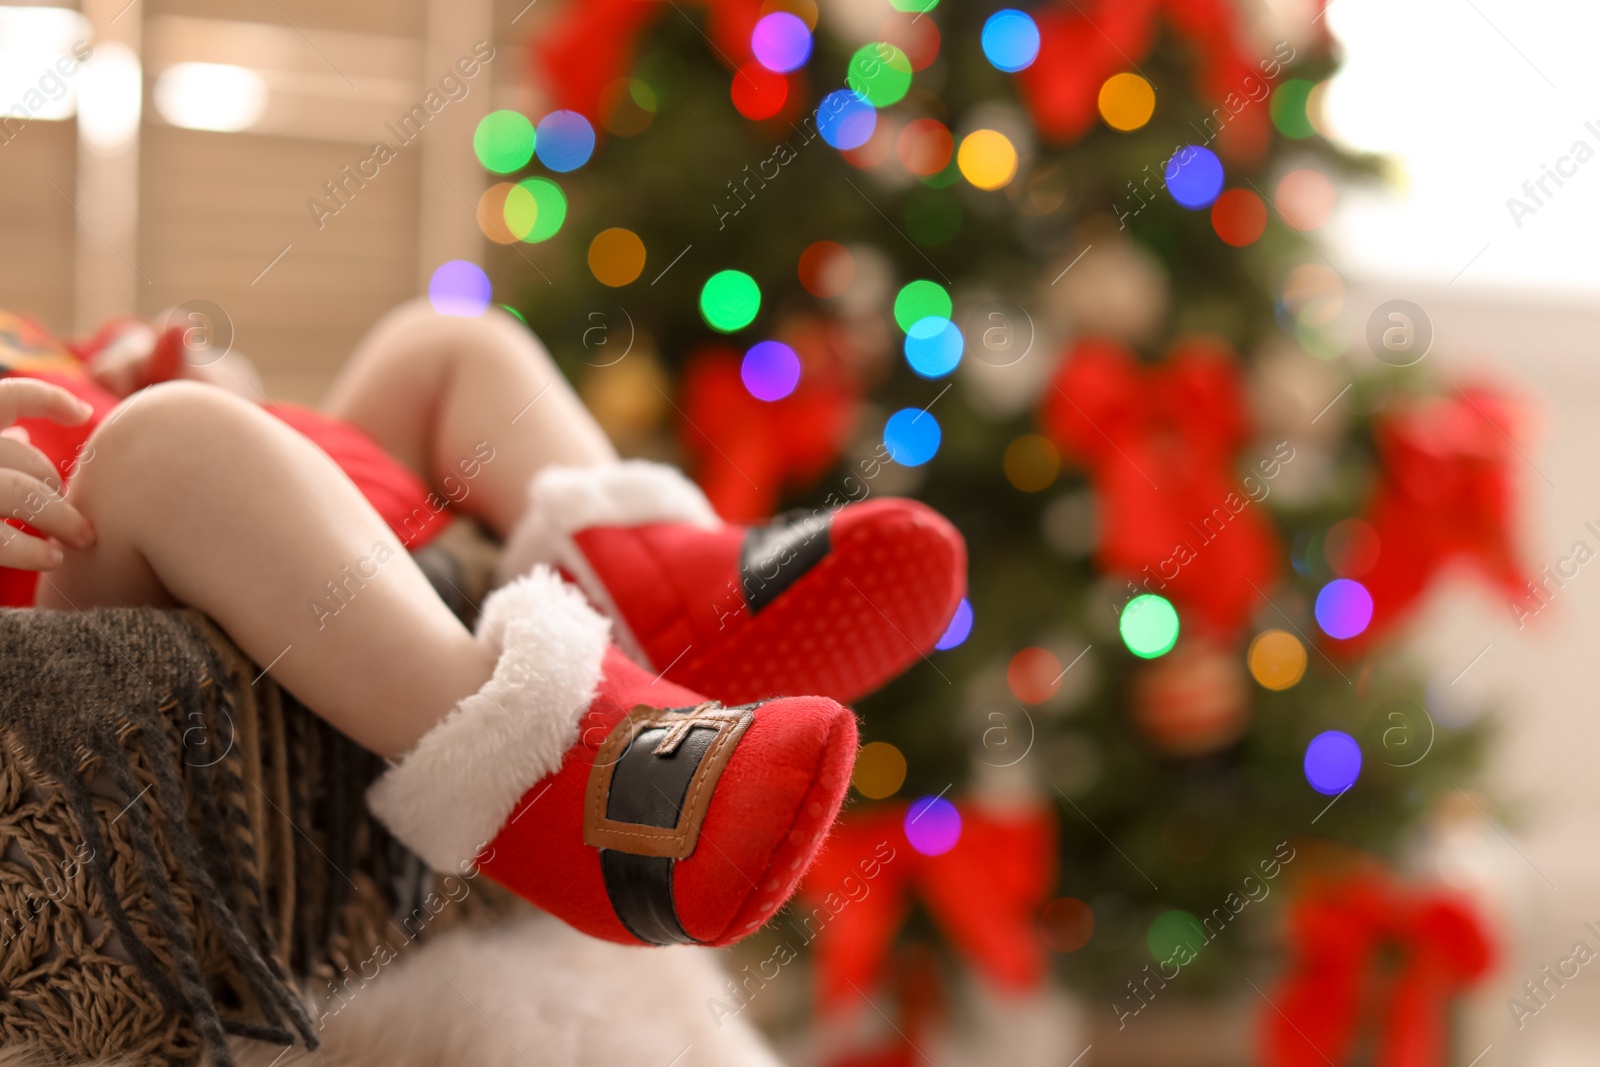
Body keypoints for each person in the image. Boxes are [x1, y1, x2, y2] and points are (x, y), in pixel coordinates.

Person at [0, 301, 966, 948]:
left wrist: (179, 365)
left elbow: (175, 383)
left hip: (307, 503)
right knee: (165, 448)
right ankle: (553, 767)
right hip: (94, 609)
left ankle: (656, 582)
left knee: (444, 342)